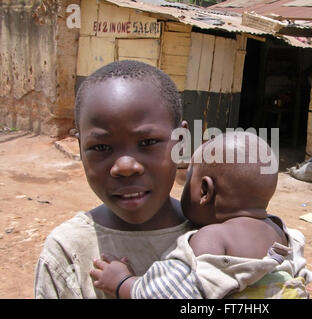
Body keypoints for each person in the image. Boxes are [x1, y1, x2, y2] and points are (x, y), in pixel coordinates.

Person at [34, 60, 195, 298]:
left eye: (148, 142)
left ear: (180, 143)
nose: (125, 167)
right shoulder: (68, 250)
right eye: (101, 147)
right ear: (80, 148)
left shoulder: (215, 239)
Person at [89, 132, 312, 299]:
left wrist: (122, 282)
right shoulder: (281, 233)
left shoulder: (212, 238)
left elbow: (164, 293)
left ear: (205, 191)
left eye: (188, 180)